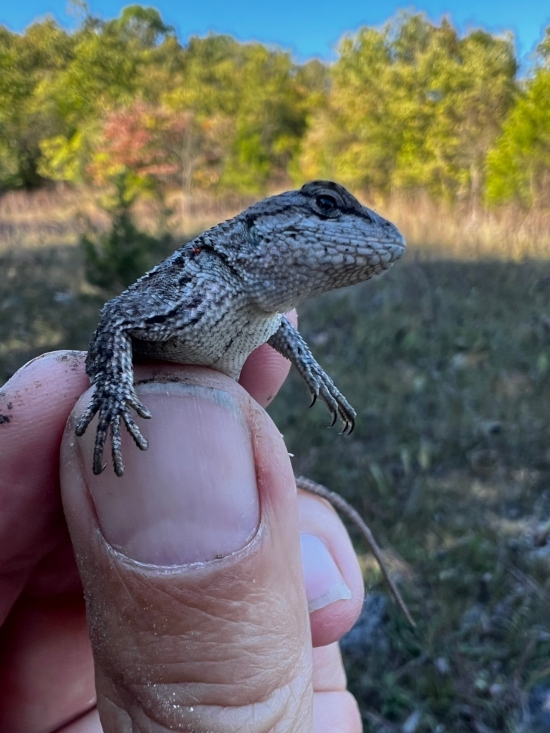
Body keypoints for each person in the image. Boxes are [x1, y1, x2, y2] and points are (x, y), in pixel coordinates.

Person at [0, 329, 364, 732]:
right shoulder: (197, 283)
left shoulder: (269, 317)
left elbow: (278, 326)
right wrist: (117, 392)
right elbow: (118, 321)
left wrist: (309, 367)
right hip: (141, 395)